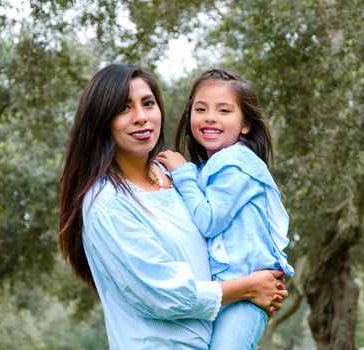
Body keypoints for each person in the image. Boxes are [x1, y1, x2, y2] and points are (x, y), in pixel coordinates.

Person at [58, 64, 288, 350]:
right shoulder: (108, 203)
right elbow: (164, 294)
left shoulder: (176, 178)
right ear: (102, 120)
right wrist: (249, 288)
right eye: (124, 108)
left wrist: (259, 281)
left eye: (148, 103)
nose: (141, 118)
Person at [157, 68, 294, 350]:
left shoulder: (237, 163)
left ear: (245, 124)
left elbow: (208, 221)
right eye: (201, 109)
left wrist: (183, 174)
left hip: (247, 296)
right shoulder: (208, 169)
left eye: (224, 110)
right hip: (227, 294)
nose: (210, 117)